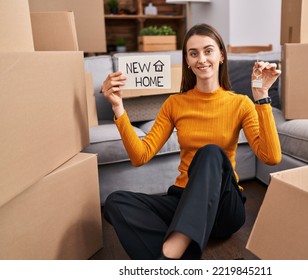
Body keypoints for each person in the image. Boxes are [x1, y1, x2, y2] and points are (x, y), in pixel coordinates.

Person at [100, 23, 282, 260]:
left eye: (208, 51)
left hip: (224, 208)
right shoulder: (175, 104)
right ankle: (182, 261)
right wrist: (118, 107)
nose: (201, 59)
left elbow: (272, 157)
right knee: (115, 202)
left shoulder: (241, 103)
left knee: (211, 153)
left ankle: (173, 249)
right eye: (193, 53)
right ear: (187, 60)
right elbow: (140, 156)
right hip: (183, 199)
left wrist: (261, 96)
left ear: (221, 56)